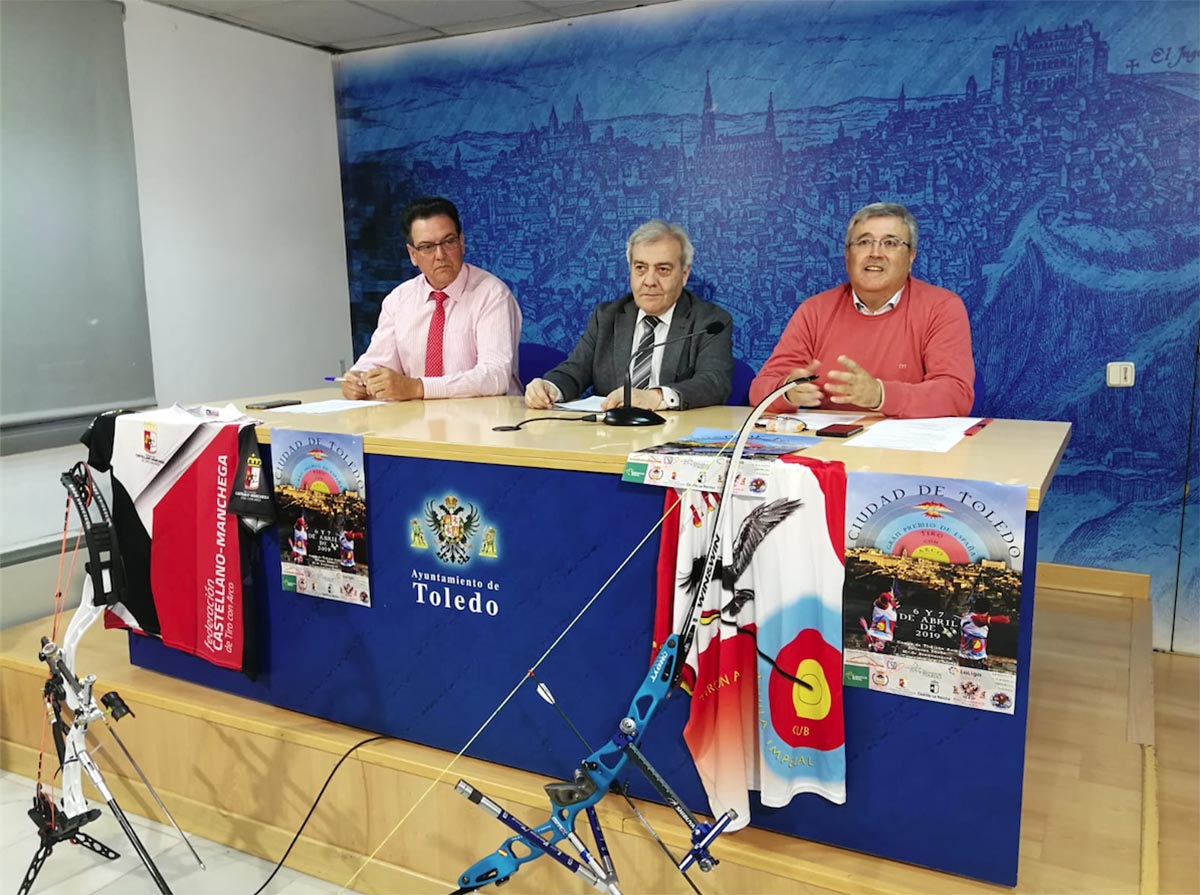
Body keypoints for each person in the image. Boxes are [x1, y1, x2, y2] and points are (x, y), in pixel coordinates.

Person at [749, 202, 974, 418]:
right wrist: (786, 391)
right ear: (847, 255)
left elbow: (956, 394)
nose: (875, 253)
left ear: (911, 256)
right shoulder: (814, 310)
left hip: (911, 451)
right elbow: (759, 389)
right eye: (864, 242)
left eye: (890, 243)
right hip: (829, 448)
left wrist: (880, 395)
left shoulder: (942, 307)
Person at [525, 220, 733, 412]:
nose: (649, 281)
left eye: (663, 269)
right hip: (609, 437)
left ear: (684, 275)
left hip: (674, 436)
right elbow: (575, 370)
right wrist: (549, 387)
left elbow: (714, 381)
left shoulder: (710, 321)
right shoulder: (607, 317)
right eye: (640, 268)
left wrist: (656, 397)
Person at [342, 196, 522, 401]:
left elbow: (495, 377)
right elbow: (378, 362)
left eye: (448, 241)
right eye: (427, 246)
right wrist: (359, 379)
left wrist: (418, 388)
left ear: (461, 242)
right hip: (417, 422)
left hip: (485, 423)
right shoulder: (399, 300)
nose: (440, 254)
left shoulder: (492, 294)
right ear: (412, 254)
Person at [958, 598, 1011, 669]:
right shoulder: (978, 620)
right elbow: (1005, 620)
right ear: (988, 610)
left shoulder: (967, 617)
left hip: (963, 657)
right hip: (975, 659)